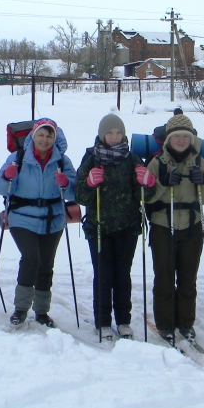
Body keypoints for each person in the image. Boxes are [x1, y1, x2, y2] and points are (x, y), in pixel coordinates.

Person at [0, 118, 77, 327]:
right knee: (31, 258)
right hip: (22, 217)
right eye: (41, 134)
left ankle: (41, 312)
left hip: (53, 219)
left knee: (46, 264)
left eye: (49, 136)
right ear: (33, 136)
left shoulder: (62, 162)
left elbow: (76, 192)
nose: (45, 139)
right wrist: (5, 176)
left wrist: (67, 184)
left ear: (55, 139)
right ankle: (21, 309)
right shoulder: (17, 158)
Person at [75, 114, 153, 340]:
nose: (115, 137)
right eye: (110, 133)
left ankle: (123, 320)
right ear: (102, 135)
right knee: (103, 276)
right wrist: (89, 184)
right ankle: (102, 322)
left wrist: (146, 183)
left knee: (122, 275)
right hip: (99, 228)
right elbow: (80, 196)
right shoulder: (91, 158)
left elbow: (143, 196)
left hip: (127, 227)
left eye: (118, 132)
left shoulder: (132, 158)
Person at [144, 112, 204, 345]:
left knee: (187, 277)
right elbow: (147, 199)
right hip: (163, 225)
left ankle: (186, 322)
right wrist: (164, 184)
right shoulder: (157, 163)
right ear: (168, 140)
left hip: (192, 226)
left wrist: (202, 182)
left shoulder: (199, 162)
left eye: (185, 136)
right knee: (164, 276)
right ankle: (165, 323)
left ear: (192, 139)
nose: (181, 141)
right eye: (177, 137)